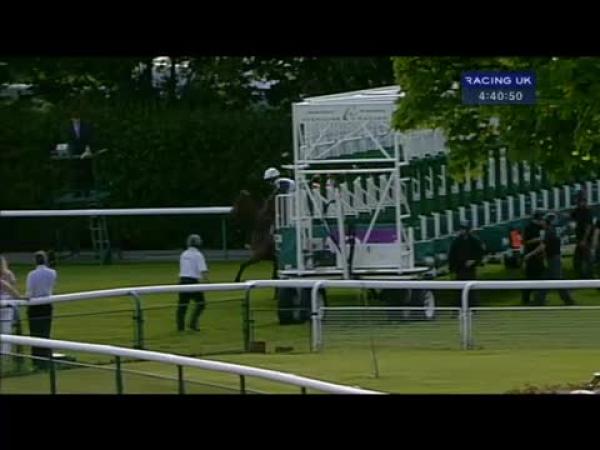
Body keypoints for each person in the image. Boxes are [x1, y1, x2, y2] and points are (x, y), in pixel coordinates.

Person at [526, 213, 575, 306]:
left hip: (554, 259)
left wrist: (530, 255)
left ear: (546, 222)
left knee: (558, 281)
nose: (541, 222)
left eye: (542, 221)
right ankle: (539, 300)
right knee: (545, 279)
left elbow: (543, 246)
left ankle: (568, 300)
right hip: (553, 258)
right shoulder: (551, 230)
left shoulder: (549, 232)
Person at [26, 251, 58, 369]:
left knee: (35, 333)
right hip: (47, 304)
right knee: (46, 331)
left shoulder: (32, 274)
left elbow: (30, 292)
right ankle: (46, 357)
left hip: (35, 305)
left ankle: (37, 359)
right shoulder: (52, 273)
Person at [448, 220, 485, 307]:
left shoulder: (474, 240)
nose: (462, 231)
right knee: (459, 289)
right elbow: (452, 255)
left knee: (471, 288)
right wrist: (452, 269)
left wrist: (474, 261)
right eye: (461, 229)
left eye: (464, 229)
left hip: (470, 269)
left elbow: (480, 252)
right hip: (459, 269)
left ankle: (472, 306)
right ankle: (459, 307)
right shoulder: (457, 241)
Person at [177, 234, 209, 332]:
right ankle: (193, 324)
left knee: (182, 305)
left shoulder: (184, 254)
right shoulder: (198, 255)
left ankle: (180, 327)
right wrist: (207, 281)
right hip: (193, 281)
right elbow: (203, 270)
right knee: (201, 303)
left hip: (182, 281)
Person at [521, 211, 546, 305]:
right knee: (530, 278)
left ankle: (538, 298)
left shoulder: (540, 227)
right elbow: (526, 241)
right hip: (531, 255)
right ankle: (526, 298)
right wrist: (539, 239)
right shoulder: (529, 228)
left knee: (540, 276)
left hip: (539, 256)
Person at [0, 255, 21, 358]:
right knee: (6, 330)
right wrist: (19, 297)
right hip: (8, 303)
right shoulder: (8, 274)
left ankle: (5, 353)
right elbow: (12, 287)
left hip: (6, 303)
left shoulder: (8, 274)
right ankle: (5, 353)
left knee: (6, 329)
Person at [571, 191, 594, 278]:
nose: (577, 203)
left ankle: (589, 277)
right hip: (579, 238)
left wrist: (584, 239)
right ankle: (581, 276)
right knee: (577, 260)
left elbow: (588, 227)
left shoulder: (587, 211)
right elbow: (571, 216)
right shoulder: (577, 210)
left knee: (586, 258)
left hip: (586, 239)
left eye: (579, 200)